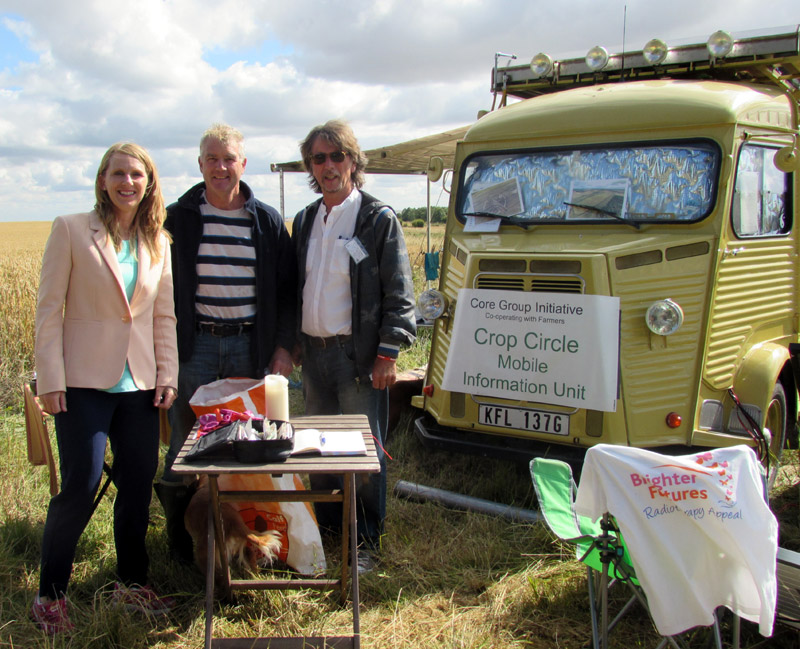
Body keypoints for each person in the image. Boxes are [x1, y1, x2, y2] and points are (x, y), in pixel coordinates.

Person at [32, 143, 179, 634]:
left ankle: (132, 583)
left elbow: (163, 316)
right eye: (118, 173)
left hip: (138, 384)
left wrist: (167, 375)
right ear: (102, 180)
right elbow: (49, 311)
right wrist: (50, 379)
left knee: (138, 484)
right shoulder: (71, 229)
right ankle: (49, 595)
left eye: (137, 174)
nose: (128, 182)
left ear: (149, 182)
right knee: (81, 484)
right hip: (82, 385)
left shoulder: (158, 241)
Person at [156, 123, 297, 563]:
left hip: (247, 348)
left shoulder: (267, 220)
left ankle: (247, 542)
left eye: (228, 159)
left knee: (248, 443)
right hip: (193, 347)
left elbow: (288, 291)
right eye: (212, 159)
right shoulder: (178, 218)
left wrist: (284, 347)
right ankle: (181, 547)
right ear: (200, 165)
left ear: (243, 163)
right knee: (185, 446)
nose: (220, 167)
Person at [293, 119, 416, 573]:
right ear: (311, 166)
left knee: (363, 453)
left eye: (336, 156)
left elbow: (400, 291)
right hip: (314, 355)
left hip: (358, 358)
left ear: (353, 161)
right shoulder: (306, 219)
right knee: (316, 450)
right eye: (319, 158)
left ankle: (364, 545)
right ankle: (327, 534)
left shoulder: (377, 219)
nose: (328, 166)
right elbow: (296, 287)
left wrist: (388, 353)